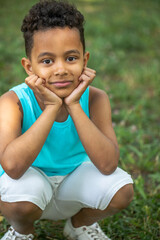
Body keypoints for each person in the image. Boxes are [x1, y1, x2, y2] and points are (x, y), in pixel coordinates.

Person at [0, 0, 134, 239]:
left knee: (121, 190)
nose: (61, 69)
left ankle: (80, 225)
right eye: (47, 61)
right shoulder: (13, 102)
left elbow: (107, 164)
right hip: (27, 188)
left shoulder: (96, 99)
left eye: (71, 58)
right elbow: (12, 168)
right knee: (21, 200)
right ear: (29, 67)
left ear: (85, 59)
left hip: (75, 183)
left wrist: (73, 104)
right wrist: (52, 107)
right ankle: (21, 231)